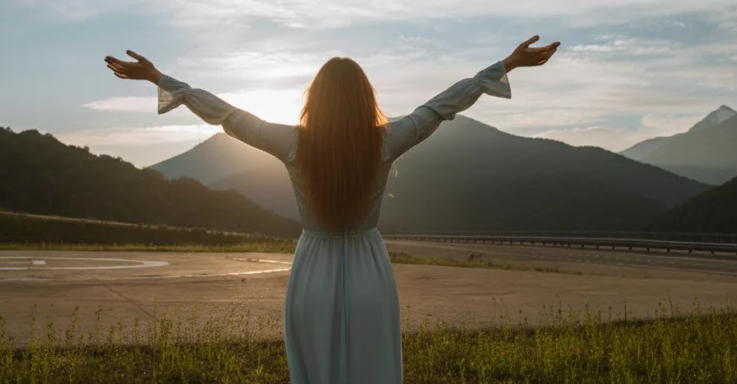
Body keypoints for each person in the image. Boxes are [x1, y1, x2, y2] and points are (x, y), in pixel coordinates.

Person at [104, 34, 560, 384]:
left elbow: (227, 115)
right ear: (365, 98)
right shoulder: (386, 141)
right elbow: (439, 106)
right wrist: (506, 65)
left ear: (314, 100)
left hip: (313, 270)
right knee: (372, 367)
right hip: (368, 268)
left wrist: (160, 78)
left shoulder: (293, 143)